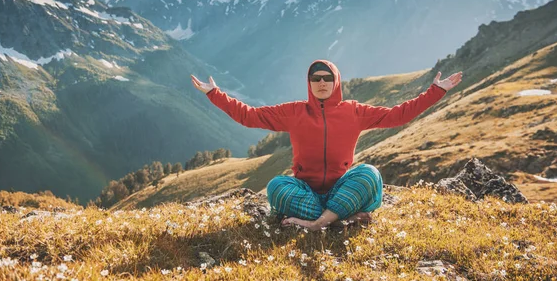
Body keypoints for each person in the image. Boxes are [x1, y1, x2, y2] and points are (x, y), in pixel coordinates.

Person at [191, 60, 462, 231]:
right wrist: (215, 94)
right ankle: (342, 216)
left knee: (370, 173)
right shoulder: (294, 111)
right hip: (306, 190)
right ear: (309, 84)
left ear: (336, 82)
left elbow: (398, 115)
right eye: (316, 78)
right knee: (275, 186)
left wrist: (436, 91)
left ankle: (317, 222)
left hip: (340, 189)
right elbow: (249, 117)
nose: (322, 82)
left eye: (327, 78)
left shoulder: (354, 111)